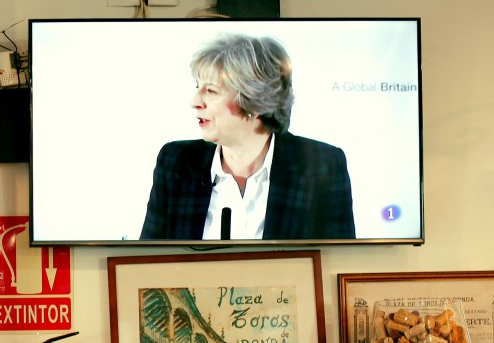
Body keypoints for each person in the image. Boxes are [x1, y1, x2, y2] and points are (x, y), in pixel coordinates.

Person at [141, 33, 355, 241]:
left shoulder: (322, 165)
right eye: (198, 87)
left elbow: (339, 263)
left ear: (254, 101)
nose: (195, 101)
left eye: (211, 91)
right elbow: (144, 263)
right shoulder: (175, 161)